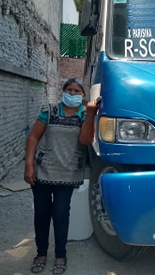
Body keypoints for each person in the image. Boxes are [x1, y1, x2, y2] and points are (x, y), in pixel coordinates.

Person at [24, 78, 99, 274]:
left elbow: (85, 140)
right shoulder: (48, 112)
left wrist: (90, 115)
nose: (72, 94)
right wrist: (29, 165)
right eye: (69, 90)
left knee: (60, 214)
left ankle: (60, 255)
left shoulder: (85, 116)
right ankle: (41, 253)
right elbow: (33, 137)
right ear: (63, 91)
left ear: (83, 96)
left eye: (77, 91)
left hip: (68, 172)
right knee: (41, 214)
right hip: (42, 171)